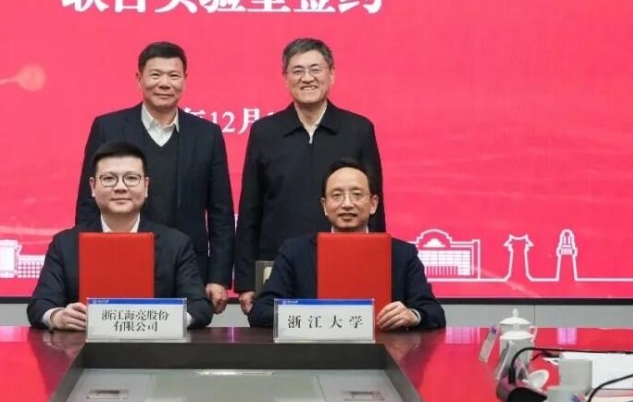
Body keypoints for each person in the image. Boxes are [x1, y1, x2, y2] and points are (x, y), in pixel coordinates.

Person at [75, 42, 234, 313]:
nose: (164, 83)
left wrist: (218, 277)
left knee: (186, 336)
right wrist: (87, 264)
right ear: (139, 79)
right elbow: (88, 203)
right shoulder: (108, 127)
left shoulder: (207, 134)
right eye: (155, 75)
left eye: (173, 76)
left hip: (188, 268)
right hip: (119, 260)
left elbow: (221, 211)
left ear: (184, 79)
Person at [234, 38, 385, 312]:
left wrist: (378, 266)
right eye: (297, 70)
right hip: (279, 269)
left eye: (315, 69)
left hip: (346, 263)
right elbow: (250, 211)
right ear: (285, 78)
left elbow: (374, 207)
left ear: (332, 74)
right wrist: (245, 281)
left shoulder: (358, 130)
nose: (307, 78)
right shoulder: (265, 132)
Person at [29, 140, 214, 330]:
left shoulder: (175, 244)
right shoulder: (65, 244)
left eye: (131, 178)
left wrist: (163, 321)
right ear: (92, 187)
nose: (120, 187)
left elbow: (199, 307)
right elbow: (40, 305)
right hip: (83, 346)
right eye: (109, 178)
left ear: (146, 186)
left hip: (155, 347)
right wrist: (57, 316)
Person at [248, 158, 445, 330]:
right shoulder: (294, 252)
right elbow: (260, 311)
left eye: (357, 195)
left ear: (373, 203)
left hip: (383, 353)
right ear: (325, 206)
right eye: (337, 195)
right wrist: (311, 316)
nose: (347, 204)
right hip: (313, 353)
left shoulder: (402, 254)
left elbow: (434, 312)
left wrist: (412, 316)